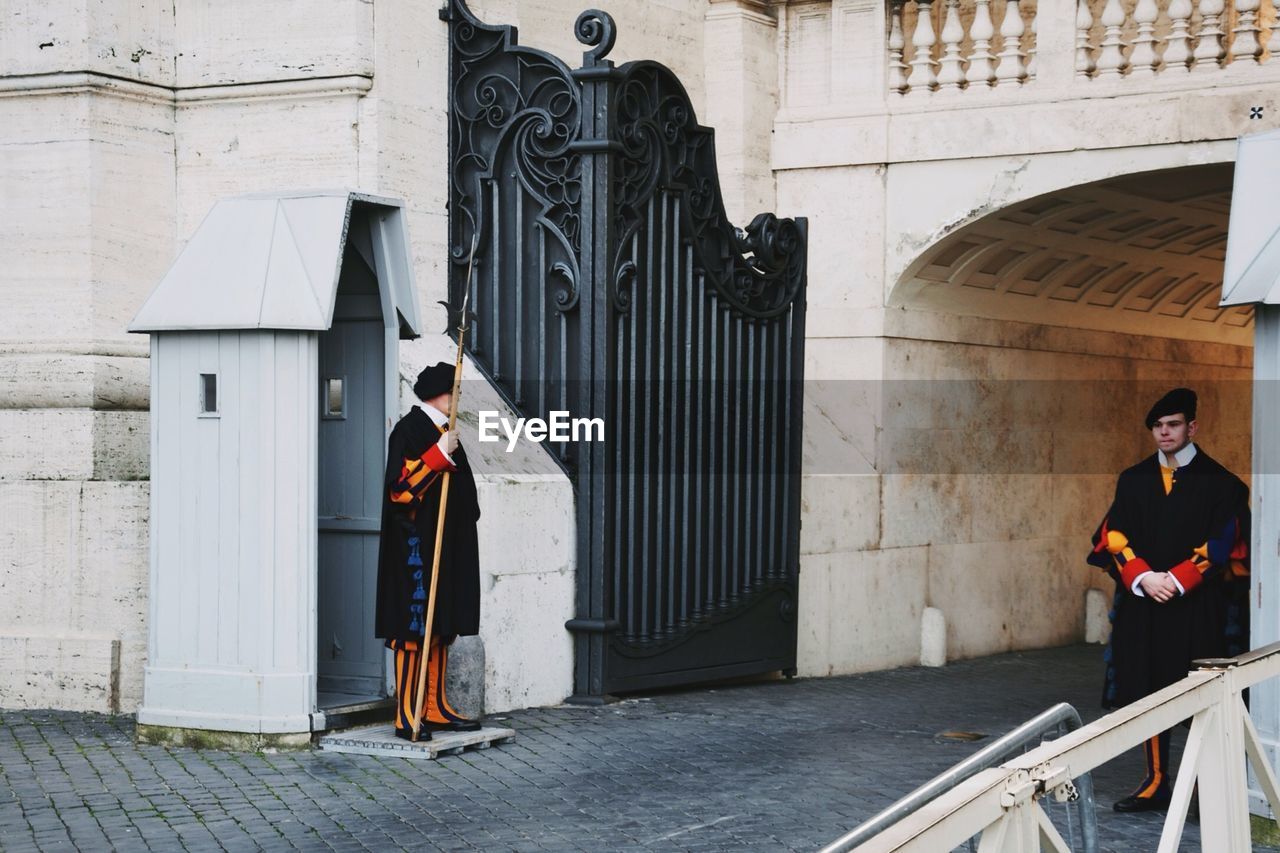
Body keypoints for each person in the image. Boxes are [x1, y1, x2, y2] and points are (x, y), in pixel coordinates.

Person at [1088, 387, 1249, 812]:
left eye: (1173, 424)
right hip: (1144, 606)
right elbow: (1113, 536)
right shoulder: (1133, 479)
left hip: (1198, 608)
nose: (1164, 432)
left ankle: (1205, 787)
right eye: (1158, 426)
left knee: (1201, 693)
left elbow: (1223, 543)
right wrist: (1141, 576)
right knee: (1146, 687)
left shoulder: (1224, 484)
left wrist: (1176, 581)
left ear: (1191, 427)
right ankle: (1156, 780)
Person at [375, 362, 483, 740]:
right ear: (441, 393)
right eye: (455, 391)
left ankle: (434, 706)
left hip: (447, 545)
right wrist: (438, 454)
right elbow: (400, 490)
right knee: (413, 629)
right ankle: (408, 714)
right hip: (415, 550)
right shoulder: (410, 430)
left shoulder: (446, 431)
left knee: (441, 627)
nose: (458, 398)